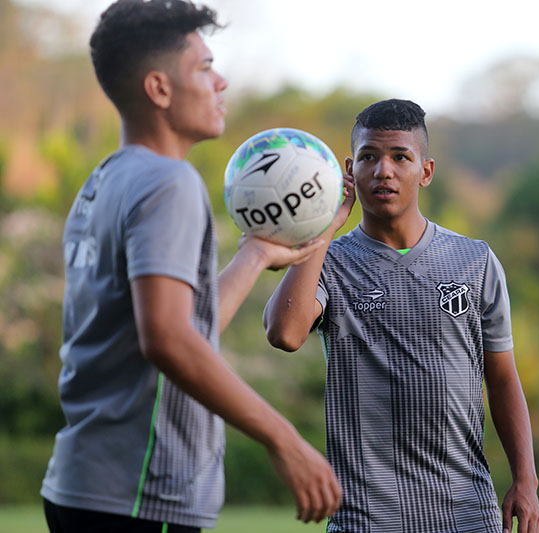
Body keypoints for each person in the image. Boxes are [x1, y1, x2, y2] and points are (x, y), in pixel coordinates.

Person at [40, 1, 341, 531]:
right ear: (159, 89)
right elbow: (167, 339)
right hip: (138, 495)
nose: (220, 81)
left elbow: (178, 329)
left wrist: (256, 253)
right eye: (204, 67)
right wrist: (285, 439)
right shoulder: (168, 183)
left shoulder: (104, 181)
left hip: (84, 487)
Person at [264, 99, 539, 533]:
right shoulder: (329, 261)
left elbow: (503, 377)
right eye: (369, 157)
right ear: (349, 170)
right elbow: (284, 333)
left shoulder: (475, 261)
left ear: (425, 171)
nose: (383, 170)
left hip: (465, 513)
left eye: (400, 157)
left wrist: (526, 479)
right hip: (366, 517)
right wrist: (322, 229)